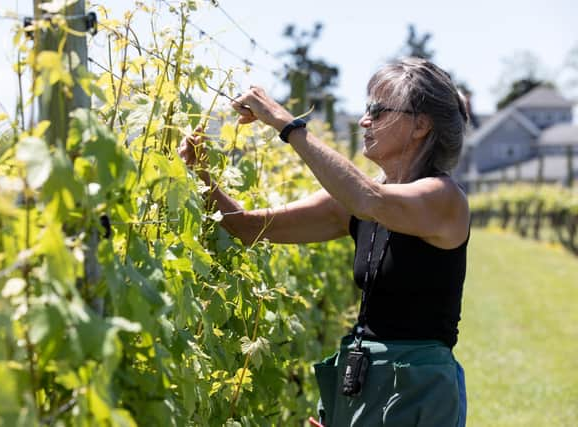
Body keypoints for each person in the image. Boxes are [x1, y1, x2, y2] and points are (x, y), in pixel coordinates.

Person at [178, 57, 469, 427]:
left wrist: (287, 125)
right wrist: (201, 174)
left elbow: (370, 200)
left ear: (420, 125)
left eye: (378, 110)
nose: (365, 120)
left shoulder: (444, 199)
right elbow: (251, 229)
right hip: (362, 382)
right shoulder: (356, 203)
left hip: (417, 390)